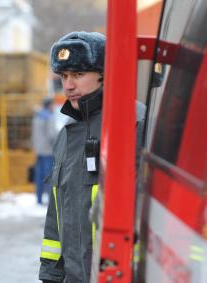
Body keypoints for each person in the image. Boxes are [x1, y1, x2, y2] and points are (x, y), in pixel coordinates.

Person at [39, 31, 146, 282]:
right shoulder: (67, 134)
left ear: (104, 74)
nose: (68, 85)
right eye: (64, 76)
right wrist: (51, 275)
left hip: (117, 274)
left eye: (78, 74)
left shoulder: (135, 123)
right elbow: (56, 214)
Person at [31, 97, 56, 205]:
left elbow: (33, 135)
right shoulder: (49, 117)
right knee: (49, 175)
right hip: (48, 151)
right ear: (49, 105)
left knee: (39, 175)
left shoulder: (37, 117)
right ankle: (50, 200)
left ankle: (39, 199)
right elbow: (52, 135)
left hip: (39, 150)